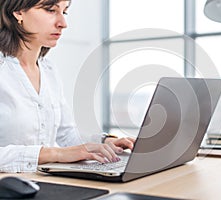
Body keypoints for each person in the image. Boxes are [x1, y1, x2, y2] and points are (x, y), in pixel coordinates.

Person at [0, 0, 135, 173]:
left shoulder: (48, 70)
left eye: (64, 12)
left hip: (46, 183)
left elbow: (66, 133)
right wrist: (55, 154)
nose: (63, 23)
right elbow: (61, 150)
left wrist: (105, 142)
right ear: (17, 12)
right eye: (50, 10)